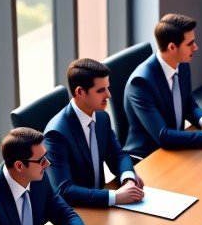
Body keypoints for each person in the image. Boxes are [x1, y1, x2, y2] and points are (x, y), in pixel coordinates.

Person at [123, 13, 202, 159]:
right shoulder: (140, 83)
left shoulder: (181, 65)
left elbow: (189, 104)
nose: (195, 47)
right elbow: (162, 136)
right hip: (149, 157)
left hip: (176, 148)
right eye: (190, 44)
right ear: (172, 47)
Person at [45, 57, 145, 208]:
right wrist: (115, 197)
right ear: (80, 92)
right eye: (100, 90)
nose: (109, 95)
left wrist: (128, 179)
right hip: (78, 210)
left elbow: (117, 154)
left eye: (107, 88)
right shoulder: (56, 134)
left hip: (100, 202)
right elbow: (64, 191)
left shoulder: (101, 116)